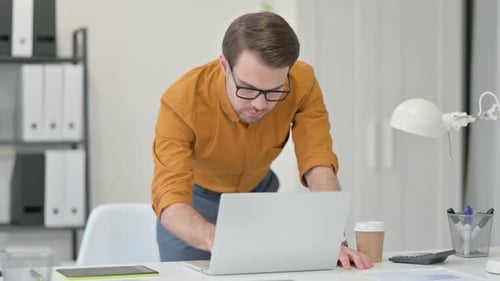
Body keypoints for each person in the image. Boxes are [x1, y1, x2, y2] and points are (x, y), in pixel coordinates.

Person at [151, 11, 372, 270]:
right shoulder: (181, 101)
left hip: (259, 197)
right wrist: (218, 239)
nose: (259, 104)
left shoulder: (303, 83)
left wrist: (333, 236)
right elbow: (170, 197)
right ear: (225, 66)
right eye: (247, 88)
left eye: (274, 91)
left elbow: (317, 162)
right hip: (194, 205)